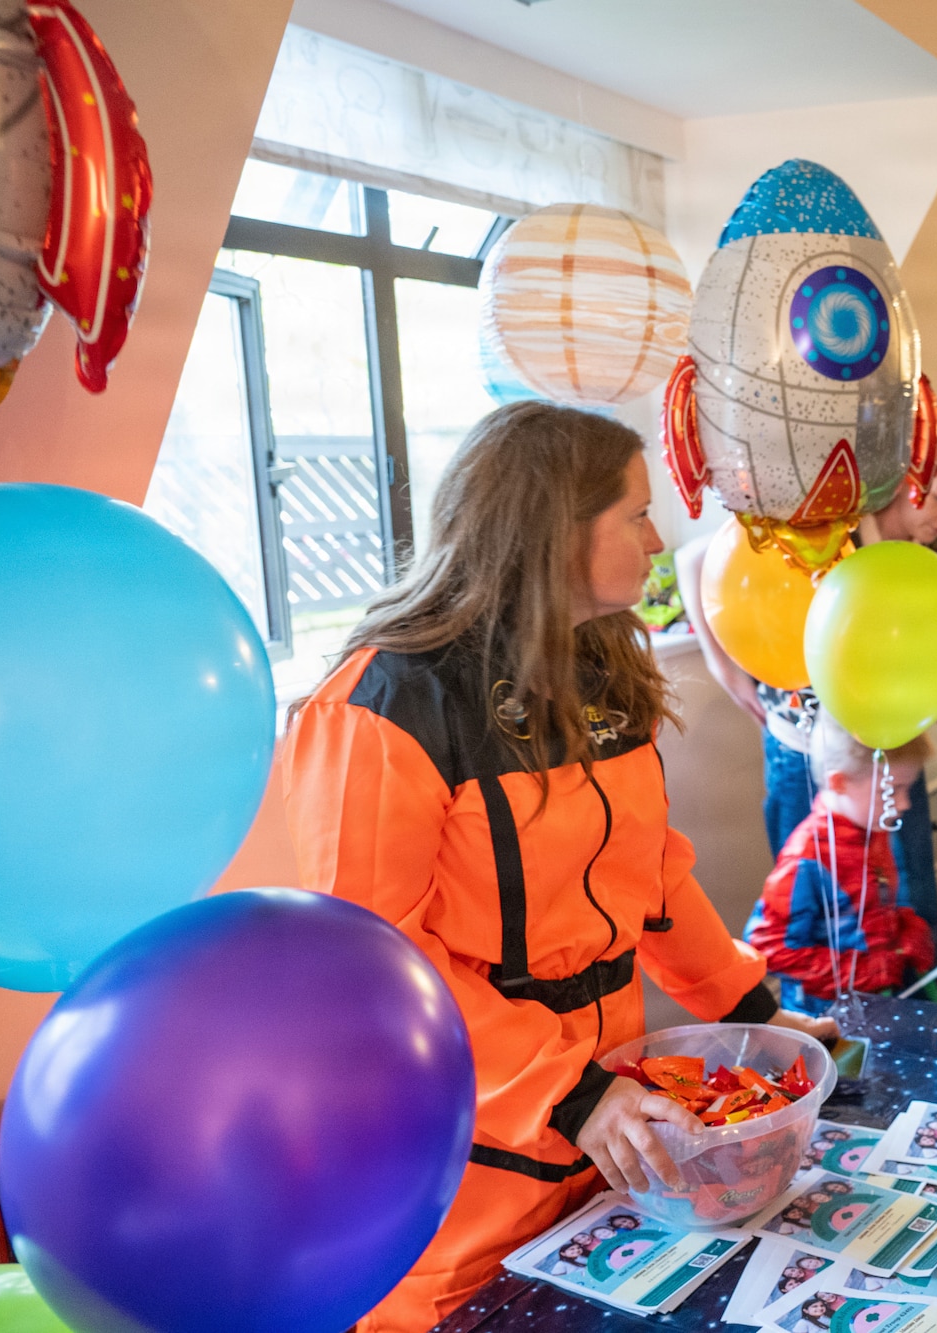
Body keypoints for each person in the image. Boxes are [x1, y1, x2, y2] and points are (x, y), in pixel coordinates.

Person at [282, 402, 835, 1332]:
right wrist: (571, 1095)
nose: (660, 538)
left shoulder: (603, 669)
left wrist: (751, 1012)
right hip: (454, 1172)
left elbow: (653, 878)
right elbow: (372, 974)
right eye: (635, 512)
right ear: (552, 526)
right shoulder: (384, 703)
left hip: (606, 1139)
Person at [676, 419, 937, 931]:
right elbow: (693, 558)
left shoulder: (923, 551)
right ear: (900, 485)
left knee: (909, 902)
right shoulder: (824, 532)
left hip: (892, 751)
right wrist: (725, 669)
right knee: (816, 921)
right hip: (806, 753)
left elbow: (893, 635)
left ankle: (909, 1005)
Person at [744, 709, 937, 1015]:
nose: (904, 804)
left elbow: (873, 901)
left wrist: (904, 925)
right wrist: (870, 970)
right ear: (839, 783)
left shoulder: (872, 828)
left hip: (875, 1002)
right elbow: (768, 947)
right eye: (891, 791)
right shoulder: (806, 858)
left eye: (907, 789)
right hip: (825, 1016)